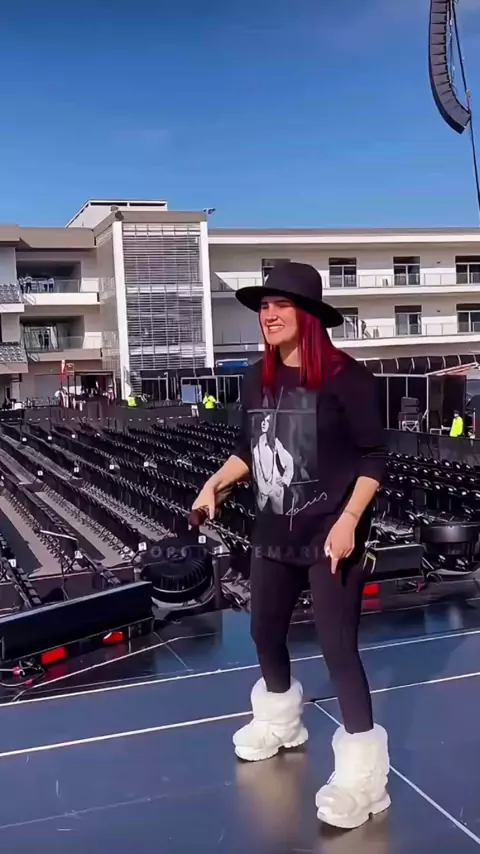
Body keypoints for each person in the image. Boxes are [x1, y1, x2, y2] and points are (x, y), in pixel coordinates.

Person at [192, 262, 389, 830]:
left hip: (333, 535)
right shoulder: (256, 377)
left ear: (309, 315)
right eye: (264, 306)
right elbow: (247, 450)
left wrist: (349, 520)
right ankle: (280, 720)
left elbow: (375, 457)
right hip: (273, 532)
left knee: (338, 649)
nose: (269, 315)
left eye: (282, 305)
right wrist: (215, 484)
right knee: (263, 632)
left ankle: (364, 780)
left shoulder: (348, 378)